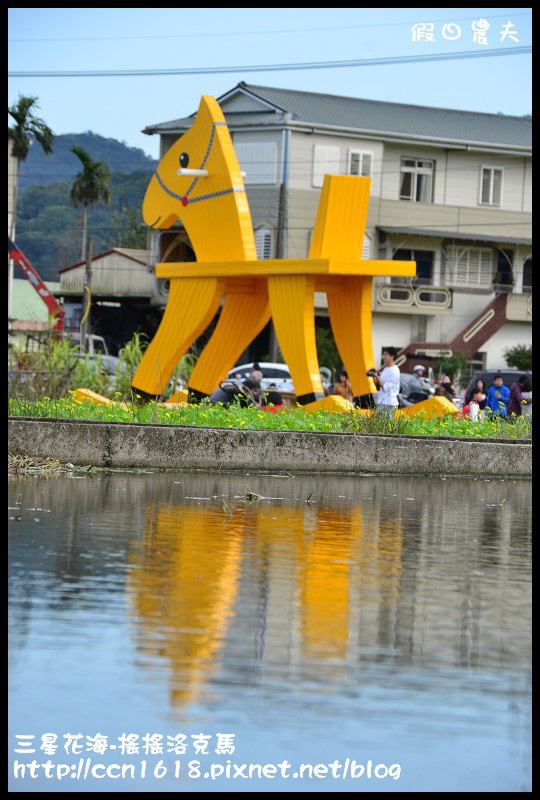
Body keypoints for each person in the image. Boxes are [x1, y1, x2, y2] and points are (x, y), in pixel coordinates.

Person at [367, 347, 400, 415]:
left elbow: (386, 387)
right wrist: (374, 377)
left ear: (392, 356)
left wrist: (377, 376)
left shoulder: (394, 370)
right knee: (377, 424)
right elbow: (378, 387)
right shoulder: (386, 369)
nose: (383, 357)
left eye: (386, 355)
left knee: (387, 425)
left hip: (390, 403)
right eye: (383, 355)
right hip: (382, 402)